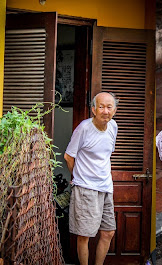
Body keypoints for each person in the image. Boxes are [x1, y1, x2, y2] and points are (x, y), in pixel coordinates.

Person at [64, 92, 118, 265]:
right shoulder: (84, 128)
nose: (105, 111)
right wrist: (78, 178)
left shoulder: (113, 127)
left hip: (106, 187)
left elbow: (106, 156)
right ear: (93, 109)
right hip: (86, 188)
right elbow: (68, 156)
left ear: (114, 110)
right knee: (84, 235)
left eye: (109, 107)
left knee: (108, 232)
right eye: (101, 107)